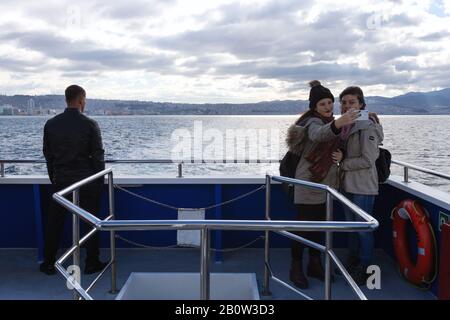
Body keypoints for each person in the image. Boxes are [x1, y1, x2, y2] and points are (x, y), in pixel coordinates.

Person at [285, 80, 358, 289]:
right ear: (314, 108)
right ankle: (296, 266)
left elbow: (337, 142)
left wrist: (341, 153)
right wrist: (339, 122)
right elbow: (320, 135)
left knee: (319, 226)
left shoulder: (332, 121)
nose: (327, 107)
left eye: (329, 103)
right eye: (322, 104)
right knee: (303, 227)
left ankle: (314, 264)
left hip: (326, 184)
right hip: (308, 184)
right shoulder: (312, 123)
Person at [40, 85, 106, 275]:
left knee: (55, 223)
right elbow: (98, 156)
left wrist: (54, 177)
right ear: (81, 100)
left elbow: (48, 155)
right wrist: (98, 183)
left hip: (61, 182)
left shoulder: (51, 124)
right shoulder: (90, 124)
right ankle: (91, 262)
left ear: (66, 99)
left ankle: (49, 263)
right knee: (91, 223)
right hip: (85, 182)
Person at [334, 86, 384, 285]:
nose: (347, 106)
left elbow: (368, 159)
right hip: (347, 184)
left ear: (361, 104)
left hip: (363, 186)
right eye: (344, 102)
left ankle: (364, 268)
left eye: (352, 102)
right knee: (351, 228)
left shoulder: (367, 126)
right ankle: (352, 260)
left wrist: (342, 163)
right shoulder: (347, 126)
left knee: (363, 230)